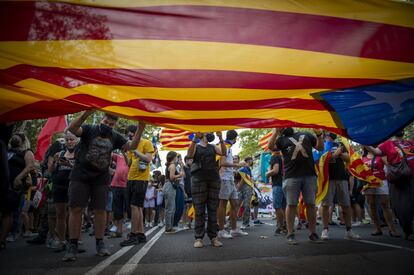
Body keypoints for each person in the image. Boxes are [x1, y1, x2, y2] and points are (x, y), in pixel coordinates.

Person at [63, 111, 139, 261]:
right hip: (80, 175)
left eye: (111, 124)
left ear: (115, 125)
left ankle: (100, 243)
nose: (107, 125)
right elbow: (72, 129)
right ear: (101, 119)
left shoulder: (115, 136)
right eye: (105, 122)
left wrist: (141, 127)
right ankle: (72, 245)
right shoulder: (89, 129)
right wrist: (87, 113)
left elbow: (131, 146)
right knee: (76, 208)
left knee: (100, 210)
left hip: (101, 178)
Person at [268, 127, 324, 245]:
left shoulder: (306, 134)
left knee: (311, 204)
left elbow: (320, 148)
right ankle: (290, 234)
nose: (285, 126)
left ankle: (313, 233)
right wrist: (275, 133)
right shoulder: (281, 140)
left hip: (309, 175)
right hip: (291, 176)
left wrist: (319, 135)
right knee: (291, 204)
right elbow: (270, 147)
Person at [365, 131, 414, 240]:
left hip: (412, 177)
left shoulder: (410, 143)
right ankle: (408, 231)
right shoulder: (387, 144)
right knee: (403, 207)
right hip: (400, 179)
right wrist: (363, 142)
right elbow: (376, 152)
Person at [187, 132, 226, 248]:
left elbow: (224, 152)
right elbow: (189, 155)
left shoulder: (213, 146)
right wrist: (195, 139)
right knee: (199, 210)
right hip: (198, 180)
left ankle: (214, 237)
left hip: (213, 180)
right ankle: (199, 238)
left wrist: (220, 138)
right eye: (209, 131)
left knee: (213, 209)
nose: (211, 133)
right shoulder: (196, 146)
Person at [320, 133, 360, 240]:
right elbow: (321, 159)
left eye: (331, 133)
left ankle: (349, 231)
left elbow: (349, 159)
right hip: (328, 180)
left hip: (342, 178)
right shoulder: (321, 145)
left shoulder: (341, 144)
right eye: (328, 133)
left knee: (346, 205)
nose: (330, 135)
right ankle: (325, 230)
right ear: (324, 135)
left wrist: (339, 154)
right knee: (325, 205)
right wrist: (333, 155)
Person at [119, 122, 153, 246]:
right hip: (131, 178)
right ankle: (140, 234)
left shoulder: (146, 142)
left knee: (135, 206)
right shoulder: (130, 146)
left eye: (132, 135)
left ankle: (133, 234)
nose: (130, 137)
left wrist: (135, 150)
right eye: (128, 136)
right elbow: (129, 163)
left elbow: (148, 159)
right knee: (137, 207)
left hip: (141, 179)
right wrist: (124, 152)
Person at [47, 131, 78, 251]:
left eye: (72, 139)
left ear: (76, 140)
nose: (69, 142)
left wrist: (70, 165)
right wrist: (54, 161)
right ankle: (61, 241)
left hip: (73, 185)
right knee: (60, 214)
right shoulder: (59, 153)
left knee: (73, 213)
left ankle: (74, 240)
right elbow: (51, 171)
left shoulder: (80, 153)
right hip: (59, 185)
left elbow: (82, 170)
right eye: (67, 140)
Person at [361, 149, 401, 237]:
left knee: (385, 204)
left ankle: (392, 229)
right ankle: (377, 228)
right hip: (369, 184)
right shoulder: (362, 157)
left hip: (382, 182)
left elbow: (389, 166)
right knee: (371, 205)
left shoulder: (380, 155)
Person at [217, 130, 248, 239]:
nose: (236, 140)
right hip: (224, 179)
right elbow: (222, 163)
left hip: (229, 179)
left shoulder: (228, 146)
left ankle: (234, 229)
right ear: (235, 138)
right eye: (236, 138)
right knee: (223, 204)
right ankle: (221, 230)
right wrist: (237, 164)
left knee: (235, 204)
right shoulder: (225, 146)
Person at [109, 150, 129, 238]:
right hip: (116, 185)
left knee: (127, 208)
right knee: (116, 208)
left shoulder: (133, 156)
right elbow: (108, 155)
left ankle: (132, 231)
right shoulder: (119, 156)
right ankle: (118, 229)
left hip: (127, 185)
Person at [266, 149, 286, 235]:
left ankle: (281, 227)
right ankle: (286, 226)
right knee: (284, 206)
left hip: (278, 183)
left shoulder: (275, 156)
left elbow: (275, 170)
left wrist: (267, 173)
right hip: (286, 182)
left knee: (278, 206)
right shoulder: (283, 156)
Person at [163, 151, 183, 234]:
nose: (177, 158)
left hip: (169, 186)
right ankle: (168, 228)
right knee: (170, 208)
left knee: (171, 208)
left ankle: (170, 227)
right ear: (173, 157)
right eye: (176, 157)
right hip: (169, 186)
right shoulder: (172, 165)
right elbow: (171, 177)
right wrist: (180, 175)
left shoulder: (170, 165)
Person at [238, 157, 255, 230]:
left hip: (247, 188)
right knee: (237, 204)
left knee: (245, 205)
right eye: (250, 160)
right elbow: (242, 179)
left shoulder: (247, 169)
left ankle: (245, 223)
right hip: (244, 187)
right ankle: (231, 221)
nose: (251, 162)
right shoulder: (244, 168)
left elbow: (246, 179)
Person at [173, 154, 185, 228]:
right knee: (176, 206)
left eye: (181, 158)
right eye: (179, 158)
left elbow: (184, 175)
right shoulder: (173, 166)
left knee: (181, 206)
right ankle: (173, 223)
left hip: (181, 188)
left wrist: (182, 166)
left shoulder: (179, 167)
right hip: (176, 187)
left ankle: (176, 223)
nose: (180, 160)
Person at [182, 156, 193, 229]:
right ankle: (184, 223)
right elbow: (182, 181)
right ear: (186, 160)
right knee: (185, 208)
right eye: (190, 160)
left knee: (191, 208)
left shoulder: (191, 168)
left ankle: (189, 223)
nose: (192, 161)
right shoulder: (183, 168)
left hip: (192, 190)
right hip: (186, 190)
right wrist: (184, 191)